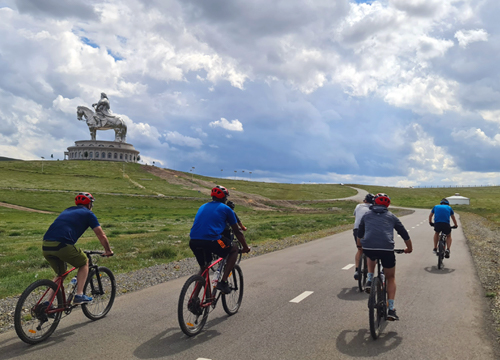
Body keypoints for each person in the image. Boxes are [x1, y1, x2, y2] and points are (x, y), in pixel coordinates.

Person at [42, 192, 113, 304]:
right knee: (84, 262)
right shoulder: (88, 214)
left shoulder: (67, 210)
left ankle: (47, 303)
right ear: (89, 204)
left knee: (61, 275)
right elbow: (101, 235)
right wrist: (108, 250)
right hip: (62, 245)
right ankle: (79, 295)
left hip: (46, 245)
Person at [357, 193, 413, 321]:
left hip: (369, 248)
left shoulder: (366, 215)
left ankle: (370, 279)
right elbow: (403, 233)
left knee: (370, 253)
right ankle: (391, 309)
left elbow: (360, 232)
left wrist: (359, 246)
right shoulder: (391, 216)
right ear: (387, 205)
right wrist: (409, 248)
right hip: (386, 250)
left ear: (374, 203)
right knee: (391, 277)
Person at [189, 186, 251, 294]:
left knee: (204, 267)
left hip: (194, 241)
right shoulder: (227, 209)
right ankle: (223, 282)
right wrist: (245, 247)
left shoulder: (202, 206)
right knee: (234, 249)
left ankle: (195, 299)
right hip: (212, 240)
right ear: (225, 198)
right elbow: (237, 231)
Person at [353, 193, 374, 280]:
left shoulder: (358, 206)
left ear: (365, 200)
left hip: (357, 229)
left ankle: (357, 270)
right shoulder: (373, 208)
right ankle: (369, 274)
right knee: (370, 252)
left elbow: (355, 214)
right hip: (368, 230)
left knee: (360, 250)